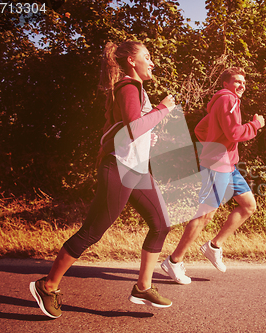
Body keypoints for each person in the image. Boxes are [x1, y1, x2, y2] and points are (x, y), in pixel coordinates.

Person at [29, 40, 176, 319]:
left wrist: (148, 134)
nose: (152, 62)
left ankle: (143, 287)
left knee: (161, 223)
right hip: (120, 167)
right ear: (132, 61)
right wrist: (163, 109)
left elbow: (131, 127)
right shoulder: (128, 86)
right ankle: (47, 286)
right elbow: (133, 127)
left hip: (136, 167)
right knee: (93, 232)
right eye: (147, 56)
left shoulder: (134, 88)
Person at [161, 67, 265, 284]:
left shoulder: (221, 101)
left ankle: (214, 246)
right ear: (225, 84)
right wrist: (255, 125)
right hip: (218, 166)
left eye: (243, 82)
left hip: (229, 165)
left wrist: (215, 146)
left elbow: (200, 129)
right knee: (205, 215)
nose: (241, 85)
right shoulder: (229, 100)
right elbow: (234, 133)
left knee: (248, 205)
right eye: (236, 81)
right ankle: (173, 261)